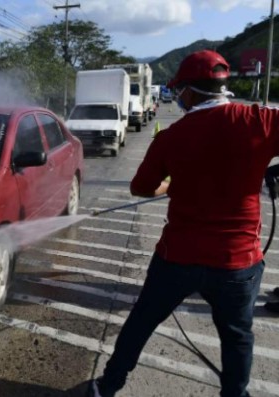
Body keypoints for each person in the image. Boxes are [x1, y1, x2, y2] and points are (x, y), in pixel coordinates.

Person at [88, 50, 274, 397]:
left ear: (189, 91)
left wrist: (170, 185)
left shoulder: (171, 137)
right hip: (238, 262)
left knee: (141, 322)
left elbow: (141, 187)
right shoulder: (259, 121)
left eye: (179, 91)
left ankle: (108, 386)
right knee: (238, 336)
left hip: (178, 258)